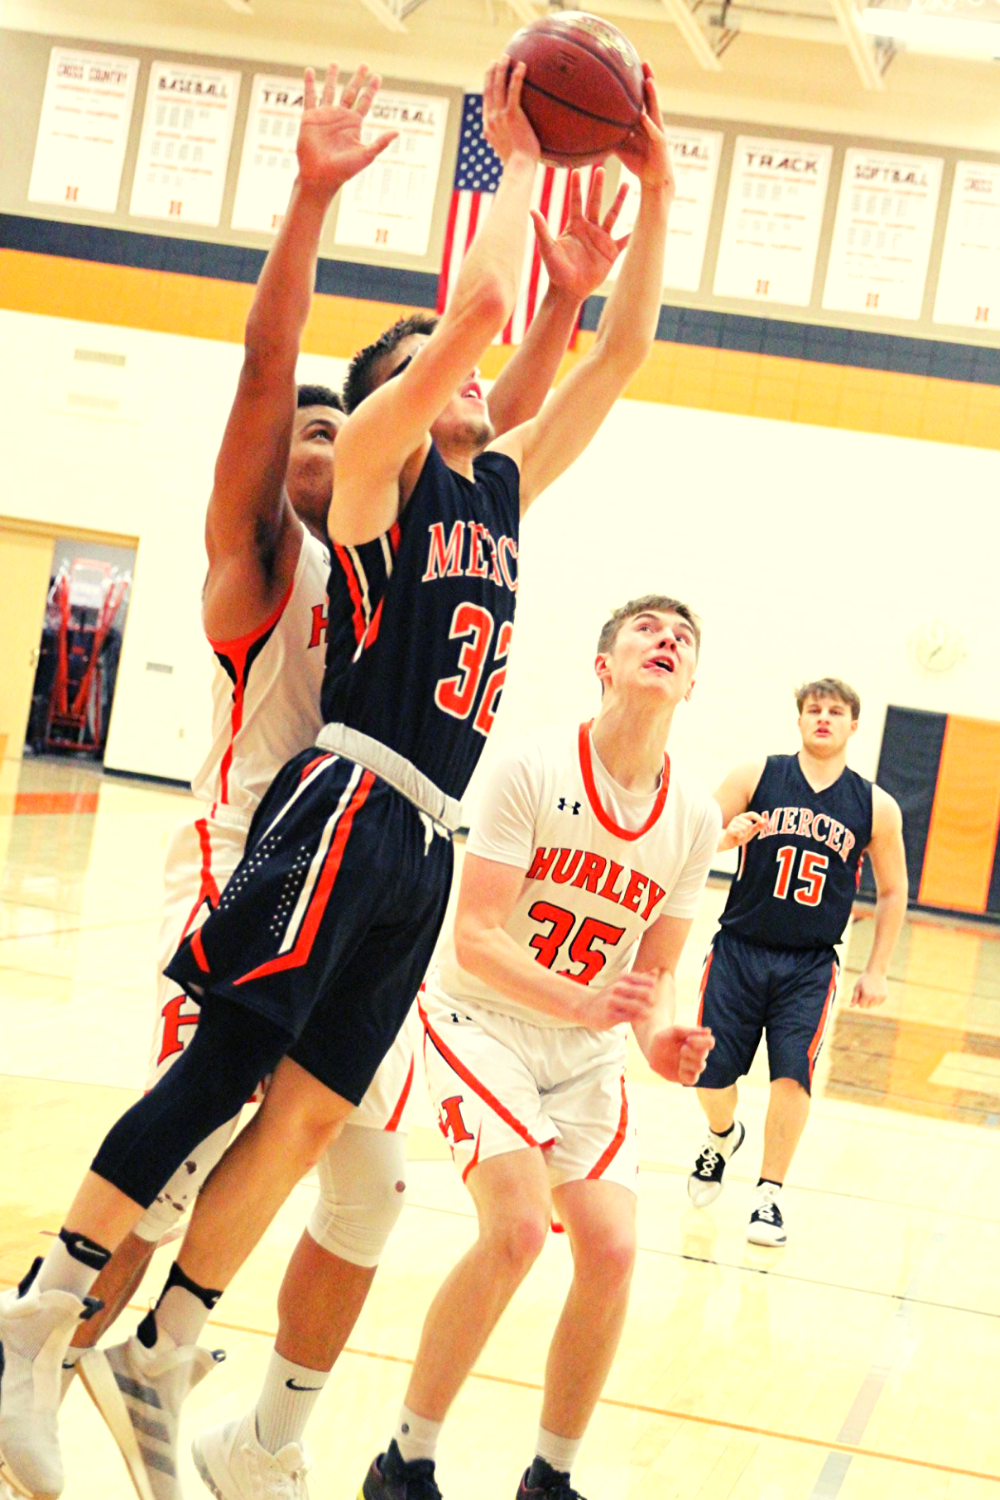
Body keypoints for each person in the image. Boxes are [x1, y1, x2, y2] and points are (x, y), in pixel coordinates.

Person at [0, 55, 672, 1500]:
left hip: (405, 847)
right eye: (432, 374)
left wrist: (608, 242)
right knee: (209, 1108)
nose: (472, 383)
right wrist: (498, 159)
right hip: (300, 820)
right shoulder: (318, 521)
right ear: (389, 404)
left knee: (330, 1143)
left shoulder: (473, 490)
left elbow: (563, 367)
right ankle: (38, 1340)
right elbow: (450, 343)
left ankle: (189, 1378)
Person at [360, 596, 719, 1500]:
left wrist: (662, 1035)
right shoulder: (530, 764)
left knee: (611, 1250)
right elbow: (475, 936)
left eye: (682, 637)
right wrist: (588, 1001)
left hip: (586, 1048)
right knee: (517, 1230)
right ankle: (405, 1458)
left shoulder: (695, 815)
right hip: (481, 1020)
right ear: (604, 663)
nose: (666, 639)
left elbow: (657, 970)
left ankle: (549, 1478)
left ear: (693, 681)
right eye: (646, 628)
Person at [687, 677, 908, 1247]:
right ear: (800, 719)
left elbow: (892, 891)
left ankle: (768, 1196)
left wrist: (877, 968)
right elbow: (692, 838)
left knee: (793, 1073)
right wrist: (725, 837)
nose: (824, 719)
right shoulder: (755, 775)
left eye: (836, 712)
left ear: (853, 725)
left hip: (810, 964)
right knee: (709, 1075)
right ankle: (720, 1137)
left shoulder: (874, 805)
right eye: (814, 709)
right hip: (738, 949)